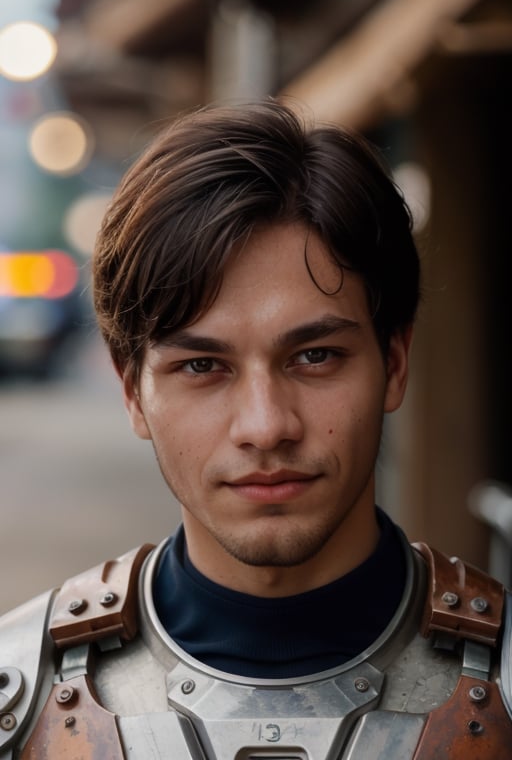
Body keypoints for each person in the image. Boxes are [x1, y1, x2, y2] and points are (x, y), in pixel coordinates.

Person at [1, 99, 511, 759]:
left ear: (394, 363)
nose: (266, 426)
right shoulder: (22, 694)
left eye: (315, 356)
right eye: (203, 366)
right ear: (132, 389)